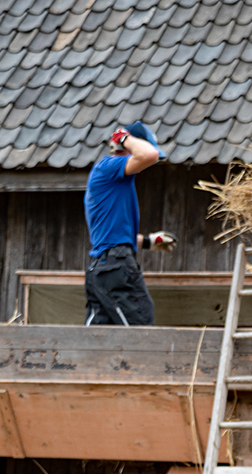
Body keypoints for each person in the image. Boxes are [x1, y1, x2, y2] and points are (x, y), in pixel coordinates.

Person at [83, 121, 178, 326]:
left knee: (97, 338)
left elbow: (112, 235)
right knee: (141, 325)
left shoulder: (109, 181)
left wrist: (149, 242)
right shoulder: (108, 169)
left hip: (102, 269)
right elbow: (149, 155)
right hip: (115, 268)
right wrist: (124, 138)